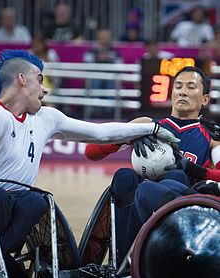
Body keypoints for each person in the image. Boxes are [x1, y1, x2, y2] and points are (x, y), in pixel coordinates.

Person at [0, 49, 178, 278]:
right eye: (40, 79)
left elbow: (99, 132)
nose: (45, 89)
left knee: (36, 200)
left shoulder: (47, 118)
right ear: (22, 79)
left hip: (11, 209)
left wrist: (152, 128)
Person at [85, 66, 220, 265]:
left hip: (185, 209)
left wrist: (194, 169)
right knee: (124, 176)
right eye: (178, 86)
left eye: (191, 87)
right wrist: (130, 136)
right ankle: (125, 264)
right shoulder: (147, 124)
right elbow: (91, 152)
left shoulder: (211, 137)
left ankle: (150, 259)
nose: (183, 91)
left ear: (205, 99)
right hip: (140, 203)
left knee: (176, 176)